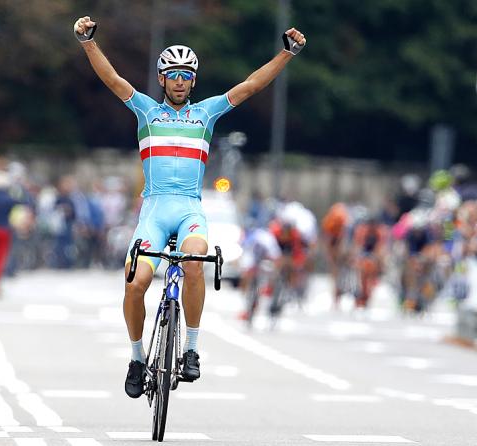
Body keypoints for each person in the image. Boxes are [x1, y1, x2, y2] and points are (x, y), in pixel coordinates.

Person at [73, 15, 306, 398]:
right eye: (172, 74)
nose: (179, 80)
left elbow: (249, 87)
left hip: (189, 210)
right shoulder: (147, 111)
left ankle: (191, 350)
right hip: (153, 210)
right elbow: (114, 81)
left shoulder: (207, 113)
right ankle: (136, 358)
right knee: (136, 283)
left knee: (196, 261)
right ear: (162, 79)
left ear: (193, 80)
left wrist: (286, 54)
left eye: (186, 74)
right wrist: (88, 43)